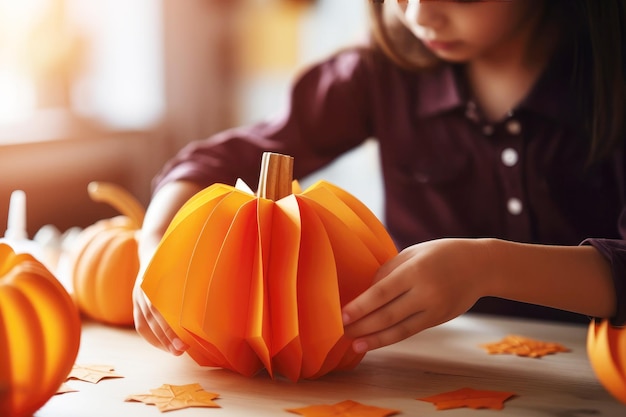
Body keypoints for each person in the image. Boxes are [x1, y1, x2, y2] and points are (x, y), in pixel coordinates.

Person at [133, 0, 626, 356]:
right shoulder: (378, 72)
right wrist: (156, 239)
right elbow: (218, 162)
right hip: (435, 364)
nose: (417, 14)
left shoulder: (612, 78)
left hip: (601, 366)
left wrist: (487, 267)